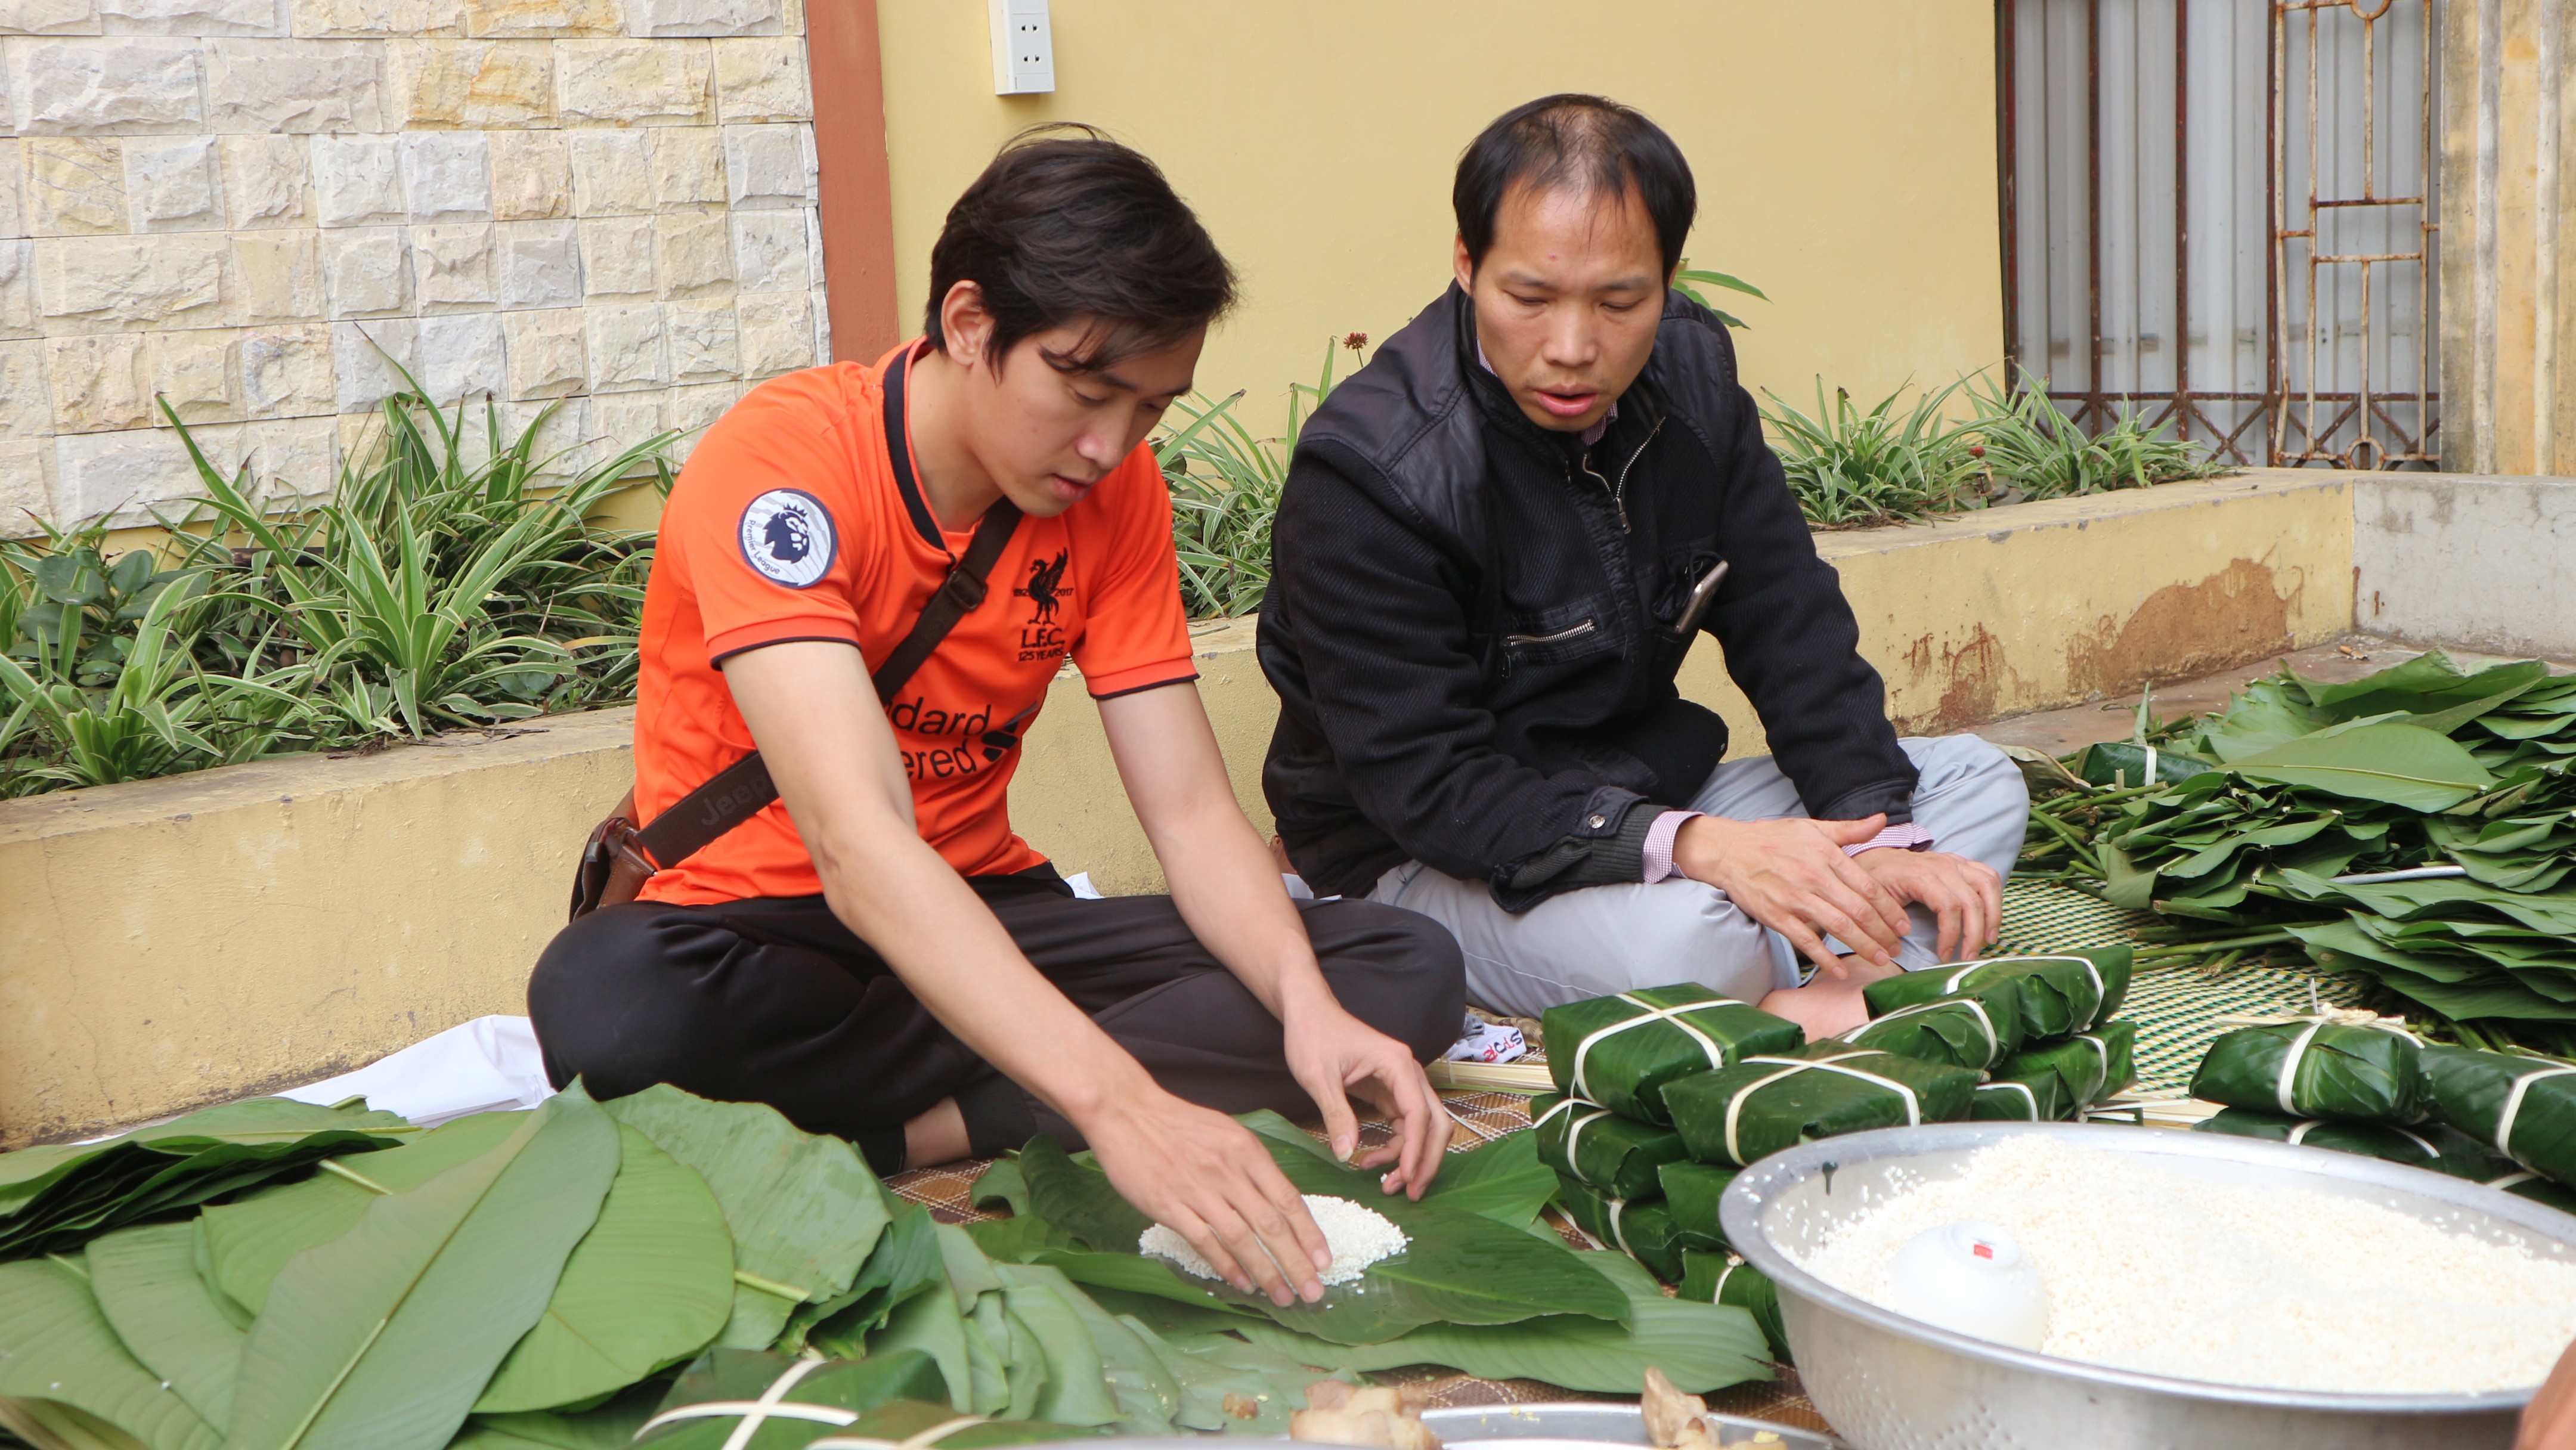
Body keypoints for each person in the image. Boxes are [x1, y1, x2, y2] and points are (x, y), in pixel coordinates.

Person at [529, 131, 1463, 1307]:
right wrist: (1120, 1106)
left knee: (1395, 967)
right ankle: (1038, 1079)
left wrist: (1309, 1009)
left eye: (1150, 409)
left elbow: (1185, 811)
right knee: (609, 1010)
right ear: (970, 324)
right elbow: (859, 850)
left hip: (981, 922)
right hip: (768, 940)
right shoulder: (785, 471)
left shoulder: (1116, 497)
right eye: (1084, 392)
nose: (1110, 446)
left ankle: (917, 1131)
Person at [1257, 95, 2029, 1039]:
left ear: (1667, 281)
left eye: (1620, 302)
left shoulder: (1695, 379)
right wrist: (1701, 850)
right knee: (1693, 946)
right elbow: (1431, 786)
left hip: (1638, 791)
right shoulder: (1372, 472)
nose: (1573, 349)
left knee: (1974, 784)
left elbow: (1789, 621)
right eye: (1529, 298)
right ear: (1467, 265)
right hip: (1423, 856)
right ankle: (1837, 969)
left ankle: (1823, 991)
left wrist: (1871, 838)